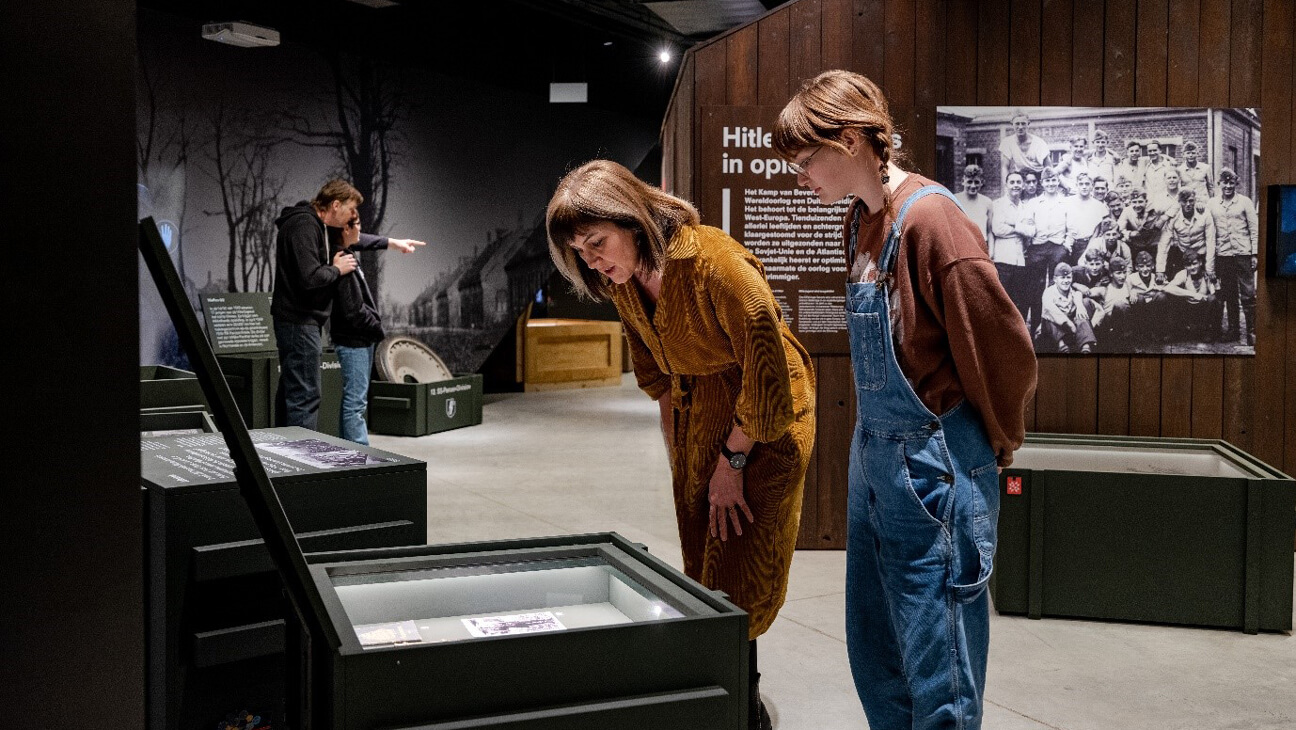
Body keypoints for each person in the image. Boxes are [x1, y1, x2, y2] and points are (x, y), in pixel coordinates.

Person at [775, 69, 1036, 730]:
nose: (800, 176)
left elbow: (1002, 349)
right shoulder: (860, 220)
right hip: (877, 461)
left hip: (932, 468)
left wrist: (997, 441)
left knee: (938, 664)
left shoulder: (932, 221)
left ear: (854, 139)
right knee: (878, 655)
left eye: (806, 161)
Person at [545, 159, 816, 730]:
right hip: (703, 424)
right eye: (582, 253)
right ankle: (728, 696)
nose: (594, 261)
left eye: (599, 243)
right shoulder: (621, 284)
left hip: (768, 421)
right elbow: (661, 381)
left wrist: (733, 461)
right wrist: (683, 462)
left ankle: (744, 708)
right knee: (704, 562)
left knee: (742, 569)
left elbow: (769, 374)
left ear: (633, 218)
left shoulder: (717, 266)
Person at [271, 179, 424, 430]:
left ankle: (284, 458)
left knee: (294, 393)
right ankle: (299, 464)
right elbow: (309, 278)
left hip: (301, 322)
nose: (353, 218)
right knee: (305, 397)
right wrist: (336, 269)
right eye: (351, 210)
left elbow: (354, 238)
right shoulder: (304, 226)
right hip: (298, 323)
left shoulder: (319, 225)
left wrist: (392, 243)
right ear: (334, 205)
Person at [329, 215, 384, 445]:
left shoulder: (347, 254)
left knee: (353, 403)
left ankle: (350, 457)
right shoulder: (343, 259)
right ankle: (360, 460)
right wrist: (375, 326)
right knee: (355, 405)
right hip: (354, 341)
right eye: (357, 224)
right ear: (345, 228)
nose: (361, 229)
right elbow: (353, 310)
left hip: (359, 340)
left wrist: (393, 243)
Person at [1208, 168, 1258, 345]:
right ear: (1219, 184)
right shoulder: (1212, 204)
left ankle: (1252, 332)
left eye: (1231, 183)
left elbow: (1254, 228)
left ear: (1235, 183)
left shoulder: (1245, 202)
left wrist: (1254, 254)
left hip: (1243, 253)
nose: (1228, 186)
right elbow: (1210, 230)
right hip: (1224, 254)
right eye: (1224, 183)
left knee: (1248, 293)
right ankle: (1234, 331)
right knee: (1229, 294)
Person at [1018, 166, 1070, 333]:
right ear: (1042, 183)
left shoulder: (1065, 202)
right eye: (1047, 181)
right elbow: (1027, 225)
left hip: (1057, 246)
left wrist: (1066, 245)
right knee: (1036, 287)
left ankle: (1057, 327)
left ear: (1057, 181)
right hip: (1038, 247)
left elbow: (1072, 227)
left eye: (1054, 180)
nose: (1051, 184)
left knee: (1058, 284)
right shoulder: (1034, 203)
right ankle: (1035, 327)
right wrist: (1029, 242)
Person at [989, 171, 1032, 321]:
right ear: (1006, 185)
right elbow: (998, 229)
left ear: (1023, 185)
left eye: (1018, 182)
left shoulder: (1026, 207)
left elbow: (1032, 230)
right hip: (1003, 259)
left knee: (1018, 300)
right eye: (1012, 182)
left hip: (1020, 260)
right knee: (1002, 299)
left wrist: (1013, 224)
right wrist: (1021, 228)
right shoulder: (997, 205)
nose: (1015, 185)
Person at [1156, 188, 1216, 283]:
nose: (1188, 204)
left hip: (1201, 253)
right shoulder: (1174, 217)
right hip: (1183, 253)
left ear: (1195, 200)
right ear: (1179, 202)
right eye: (1184, 201)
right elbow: (1164, 243)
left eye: (1191, 201)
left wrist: (1209, 268)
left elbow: (1211, 242)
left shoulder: (1205, 214)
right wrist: (1160, 270)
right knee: (1178, 283)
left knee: (1208, 283)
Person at [1039, 262, 1097, 353]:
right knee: (1049, 319)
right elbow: (1052, 311)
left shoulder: (1073, 292)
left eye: (1068, 277)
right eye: (1062, 278)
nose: (1066, 281)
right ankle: (1062, 346)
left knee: (1081, 315)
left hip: (1069, 329)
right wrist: (1070, 324)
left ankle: (1085, 346)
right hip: (1054, 329)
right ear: (1055, 279)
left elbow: (1078, 294)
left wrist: (1079, 305)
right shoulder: (1049, 292)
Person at [1063, 172, 1109, 266]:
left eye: (1087, 184)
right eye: (1081, 184)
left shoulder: (1099, 206)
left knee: (1082, 269)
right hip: (1069, 242)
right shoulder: (1067, 202)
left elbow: (1099, 231)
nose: (1084, 187)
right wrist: (1067, 241)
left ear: (1092, 186)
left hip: (1087, 244)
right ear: (1076, 185)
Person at [999, 111, 1052, 184]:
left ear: (1028, 124)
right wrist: (1006, 186)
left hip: (1038, 177)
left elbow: (1048, 167)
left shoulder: (1039, 143)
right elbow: (1004, 167)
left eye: (1023, 124)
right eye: (1017, 124)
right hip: (1021, 177)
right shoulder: (1007, 142)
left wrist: (1048, 183)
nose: (1020, 127)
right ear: (1012, 125)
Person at [954, 163, 992, 243]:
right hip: (961, 244)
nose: (973, 186)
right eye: (969, 182)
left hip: (981, 245)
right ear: (962, 181)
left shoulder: (987, 202)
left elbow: (989, 231)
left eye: (977, 182)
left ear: (981, 183)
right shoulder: (954, 200)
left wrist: (991, 253)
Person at [1142, 140, 1179, 205]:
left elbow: (1176, 184)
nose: (1152, 153)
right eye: (1150, 151)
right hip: (1150, 202)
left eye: (1155, 150)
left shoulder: (1169, 165)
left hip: (1166, 202)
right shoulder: (1145, 165)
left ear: (1160, 150)